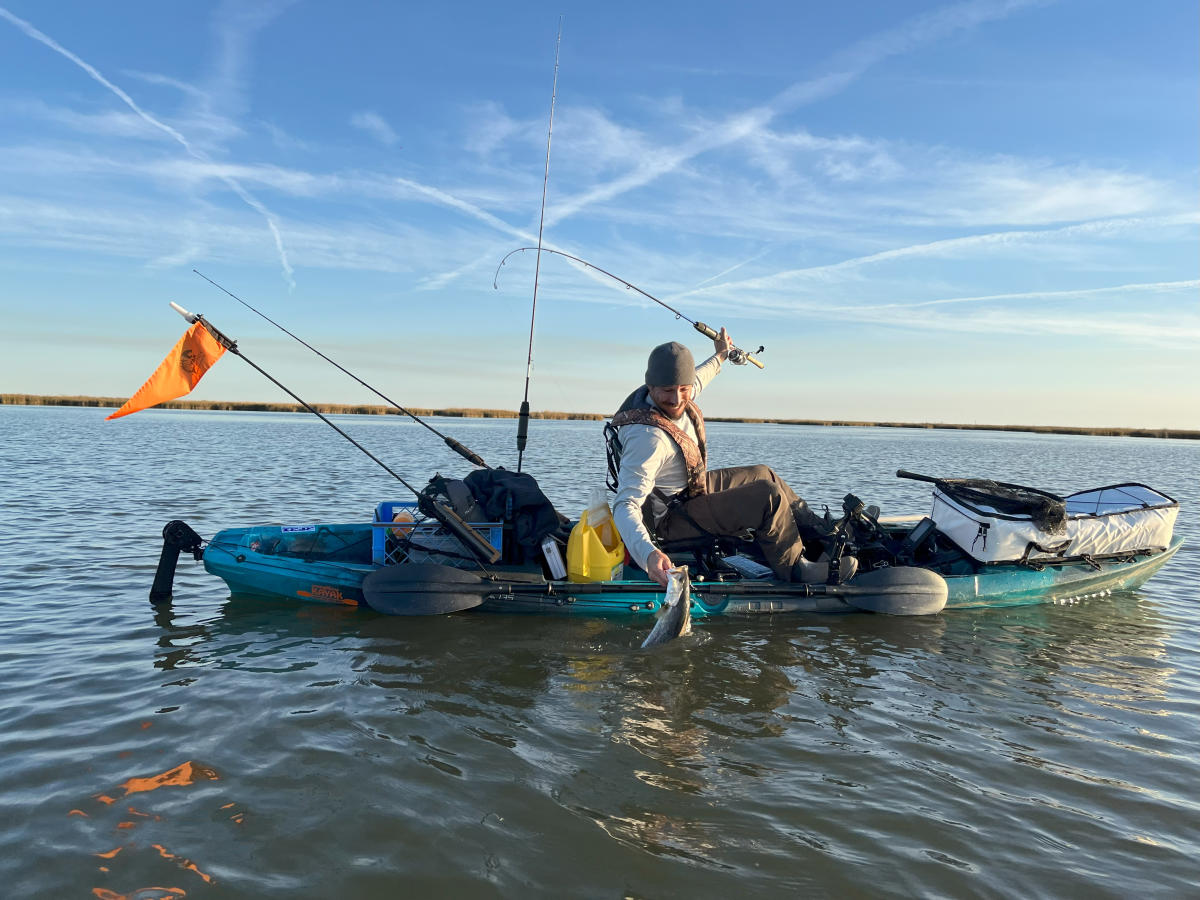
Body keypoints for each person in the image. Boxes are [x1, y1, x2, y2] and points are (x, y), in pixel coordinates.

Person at [610, 330, 854, 586]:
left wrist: (721, 355)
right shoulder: (648, 440)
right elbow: (625, 505)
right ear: (651, 386)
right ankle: (796, 570)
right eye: (668, 391)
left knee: (763, 473)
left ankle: (821, 533)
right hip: (669, 520)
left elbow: (700, 378)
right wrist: (648, 554)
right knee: (766, 496)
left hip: (688, 492)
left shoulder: (675, 394)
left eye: (684, 389)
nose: (677, 399)